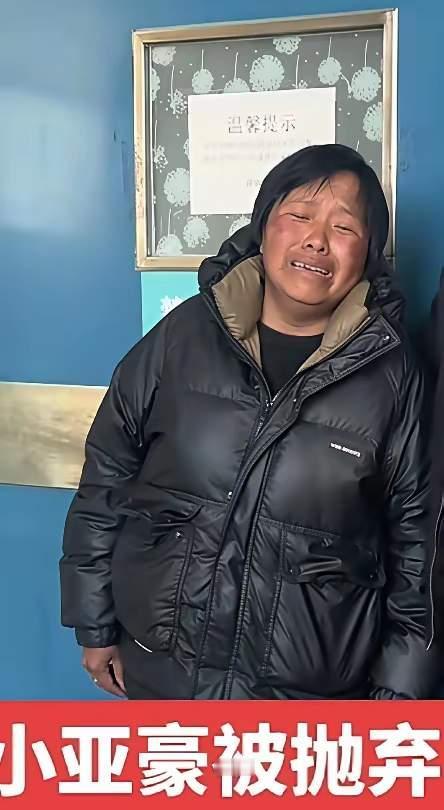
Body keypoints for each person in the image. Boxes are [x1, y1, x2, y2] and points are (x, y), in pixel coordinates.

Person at [60, 144, 437, 700]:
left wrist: (399, 690)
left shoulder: (395, 375)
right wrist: (93, 621)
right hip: (163, 672)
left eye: (344, 227)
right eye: (299, 216)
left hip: (305, 695)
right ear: (264, 226)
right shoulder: (182, 336)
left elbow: (419, 541)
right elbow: (108, 478)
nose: (317, 240)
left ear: (368, 253)